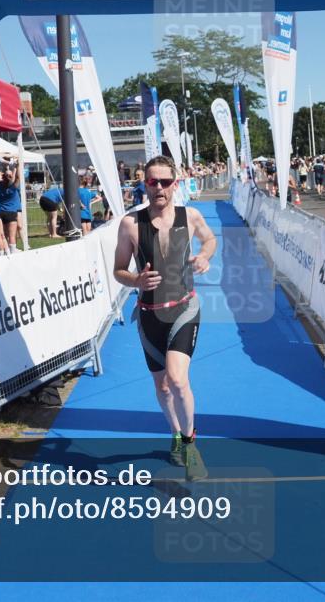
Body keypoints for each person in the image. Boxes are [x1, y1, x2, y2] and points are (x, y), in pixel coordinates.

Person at [113, 156, 216, 481]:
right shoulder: (130, 224)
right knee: (162, 386)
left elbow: (210, 239)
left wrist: (204, 257)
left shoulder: (190, 216)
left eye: (165, 182)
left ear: (175, 184)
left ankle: (190, 442)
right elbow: (118, 270)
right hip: (149, 316)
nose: (159, 187)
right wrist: (136, 280)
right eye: (152, 182)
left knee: (178, 379)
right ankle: (175, 433)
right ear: (144, 184)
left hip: (184, 308)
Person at [0, 157, 23, 253]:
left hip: (1, 212)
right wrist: (18, 166)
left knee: (4, 234)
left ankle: (6, 251)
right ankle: (12, 251)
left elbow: (4, 178)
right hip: (11, 212)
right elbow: (18, 178)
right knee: (12, 235)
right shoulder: (12, 188)